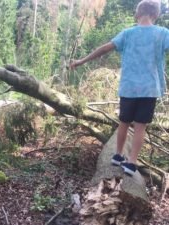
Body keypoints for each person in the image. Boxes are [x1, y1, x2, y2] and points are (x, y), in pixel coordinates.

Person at [70, 0, 169, 176]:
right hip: (149, 89)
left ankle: (117, 155)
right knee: (140, 127)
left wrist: (81, 61)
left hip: (128, 88)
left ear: (137, 14)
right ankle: (131, 163)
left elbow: (105, 48)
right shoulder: (162, 33)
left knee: (124, 123)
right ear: (156, 15)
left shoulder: (127, 33)